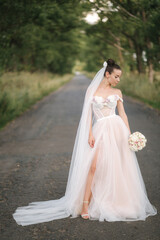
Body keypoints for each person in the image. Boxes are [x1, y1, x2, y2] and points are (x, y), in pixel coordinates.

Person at [12, 59, 157, 226]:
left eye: (119, 77)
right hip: (99, 130)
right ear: (107, 74)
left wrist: (130, 134)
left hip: (117, 129)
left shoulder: (118, 91)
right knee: (93, 166)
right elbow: (87, 115)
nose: (118, 80)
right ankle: (85, 205)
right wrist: (89, 133)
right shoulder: (91, 91)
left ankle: (115, 199)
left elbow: (123, 114)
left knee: (115, 165)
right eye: (116, 76)